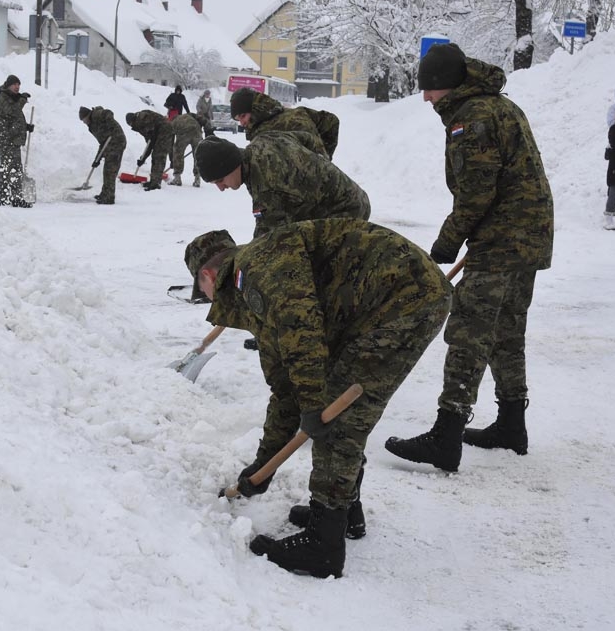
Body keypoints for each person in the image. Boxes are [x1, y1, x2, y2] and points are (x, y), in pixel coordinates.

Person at [185, 220, 451, 578]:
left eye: (200, 289)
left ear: (206, 274)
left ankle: (323, 545)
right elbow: (284, 387)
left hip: (403, 300)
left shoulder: (260, 269)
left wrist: (313, 405)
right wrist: (264, 464)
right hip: (379, 304)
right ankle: (344, 512)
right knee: (330, 407)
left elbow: (304, 331)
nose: (205, 297)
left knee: (337, 418)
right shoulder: (253, 287)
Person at [384, 43, 554, 472]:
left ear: (449, 85)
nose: (426, 98)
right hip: (528, 236)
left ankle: (446, 435)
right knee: (506, 330)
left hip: (502, 239)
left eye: (430, 88)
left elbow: (477, 193)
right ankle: (511, 425)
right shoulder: (498, 105)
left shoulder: (472, 117)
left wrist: (446, 243)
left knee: (468, 332)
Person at [195, 134, 370, 240]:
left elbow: (268, 238)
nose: (221, 188)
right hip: (350, 196)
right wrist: (320, 169)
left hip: (346, 210)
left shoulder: (267, 185)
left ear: (230, 165)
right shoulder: (262, 141)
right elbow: (307, 138)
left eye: (220, 180)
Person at [229, 88, 330, 158]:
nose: (242, 123)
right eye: (238, 119)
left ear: (254, 108)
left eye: (243, 116)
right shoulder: (291, 113)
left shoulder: (269, 129)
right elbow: (329, 121)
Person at [0, 74, 34, 208]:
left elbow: (14, 120)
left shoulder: (12, 99)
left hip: (13, 140)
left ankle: (13, 197)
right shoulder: (2, 98)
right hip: (6, 140)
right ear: (8, 85)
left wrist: (26, 126)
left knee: (14, 169)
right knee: (8, 169)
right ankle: (7, 197)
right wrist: (22, 100)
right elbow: (11, 112)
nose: (17, 87)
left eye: (18, 84)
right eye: (14, 84)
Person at [79, 105, 127, 205]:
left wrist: (111, 124)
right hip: (109, 143)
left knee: (110, 171)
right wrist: (97, 159)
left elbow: (108, 112)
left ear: (88, 115)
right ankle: (105, 194)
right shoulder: (92, 126)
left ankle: (109, 198)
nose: (84, 122)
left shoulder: (96, 114)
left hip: (117, 141)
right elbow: (102, 143)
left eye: (84, 119)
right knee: (107, 171)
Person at [125, 110, 174, 191]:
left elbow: (151, 129)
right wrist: (143, 158)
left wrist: (151, 132)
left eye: (131, 124)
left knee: (158, 155)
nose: (132, 126)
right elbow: (149, 143)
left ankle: (156, 183)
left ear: (132, 121)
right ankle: (153, 181)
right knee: (155, 155)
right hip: (160, 132)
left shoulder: (141, 117)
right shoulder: (140, 124)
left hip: (165, 130)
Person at [169, 113, 203, 187]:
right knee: (198, 155)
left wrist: (172, 159)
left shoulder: (173, 123)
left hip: (184, 133)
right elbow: (201, 118)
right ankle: (197, 179)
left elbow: (171, 141)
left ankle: (177, 178)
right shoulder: (188, 115)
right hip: (197, 132)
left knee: (178, 153)